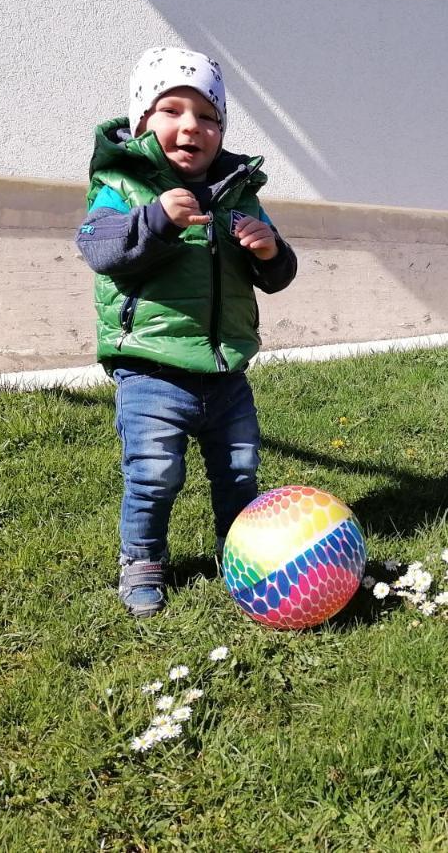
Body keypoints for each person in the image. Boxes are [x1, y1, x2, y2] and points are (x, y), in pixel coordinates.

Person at [76, 47, 297, 618]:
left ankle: (241, 554)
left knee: (239, 470)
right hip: (150, 369)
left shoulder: (238, 192)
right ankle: (144, 560)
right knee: (153, 474)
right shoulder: (122, 186)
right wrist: (155, 220)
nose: (191, 127)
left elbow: (276, 277)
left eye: (208, 117)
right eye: (171, 110)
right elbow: (99, 249)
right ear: (142, 121)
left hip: (226, 372)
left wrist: (271, 252)